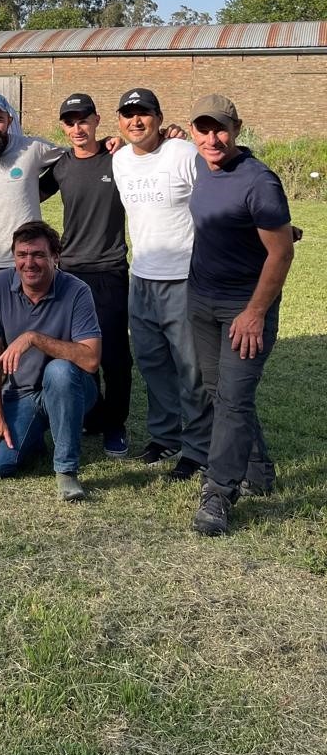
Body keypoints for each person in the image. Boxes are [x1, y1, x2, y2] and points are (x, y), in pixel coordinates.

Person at [186, 95, 296, 537]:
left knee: (233, 398)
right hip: (201, 300)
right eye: (202, 129)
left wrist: (254, 313)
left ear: (237, 128)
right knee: (220, 392)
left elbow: (282, 252)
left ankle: (219, 493)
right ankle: (258, 469)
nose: (212, 138)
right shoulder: (199, 166)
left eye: (221, 129)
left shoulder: (259, 181)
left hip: (244, 308)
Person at [111, 88, 212, 478]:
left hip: (184, 278)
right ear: (119, 120)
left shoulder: (182, 153)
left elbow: (213, 197)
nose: (136, 121)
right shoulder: (119, 160)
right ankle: (165, 436)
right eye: (128, 114)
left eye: (144, 113)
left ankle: (198, 447)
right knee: (152, 363)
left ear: (159, 116)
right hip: (142, 277)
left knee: (191, 369)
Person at [0, 221, 102, 502]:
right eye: (22, 255)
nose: (28, 263)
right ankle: (35, 438)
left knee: (59, 371)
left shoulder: (77, 291)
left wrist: (34, 337)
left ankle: (66, 471)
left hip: (72, 387)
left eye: (38, 255)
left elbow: (91, 360)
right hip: (21, 392)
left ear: (55, 257)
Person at [38, 94, 133, 459]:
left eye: (83, 120)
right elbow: (24, 191)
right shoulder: (61, 165)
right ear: (63, 126)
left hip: (109, 269)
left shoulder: (117, 159)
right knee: (79, 351)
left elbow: (154, 157)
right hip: (71, 272)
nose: (77, 128)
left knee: (114, 354)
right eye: (69, 121)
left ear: (96, 120)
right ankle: (92, 415)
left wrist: (171, 133)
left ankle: (115, 424)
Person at [0, 92, 64, 314]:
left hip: (27, 262)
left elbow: (73, 158)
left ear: (9, 120)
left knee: (30, 332)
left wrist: (41, 190)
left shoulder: (32, 148)